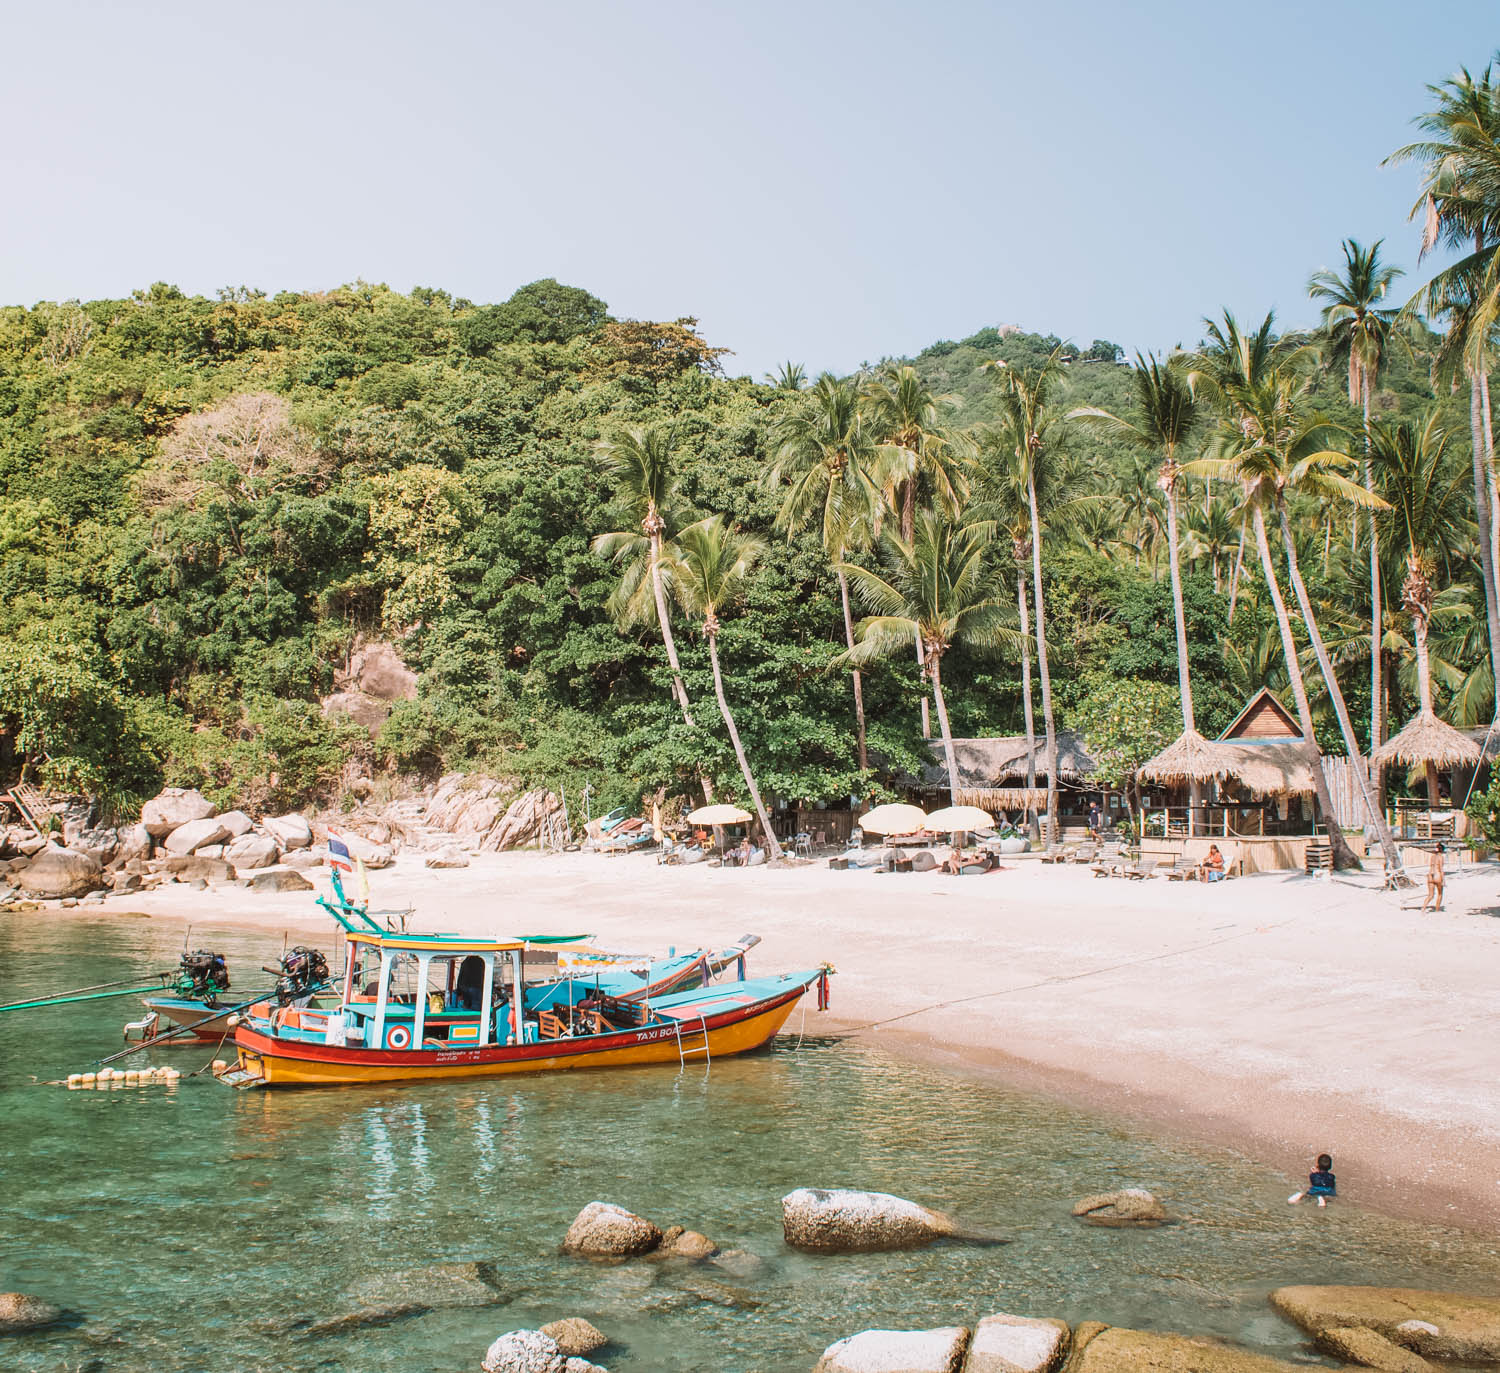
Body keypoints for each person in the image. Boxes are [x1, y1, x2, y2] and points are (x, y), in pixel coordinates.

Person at [1422, 842, 1446, 912]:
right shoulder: (1441, 857)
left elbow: (1431, 866)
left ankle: (1423, 908)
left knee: (1430, 895)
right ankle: (1437, 910)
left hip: (1430, 875)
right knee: (1440, 894)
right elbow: (1441, 869)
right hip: (1437, 875)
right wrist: (1443, 880)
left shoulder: (1432, 857)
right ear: (1442, 850)